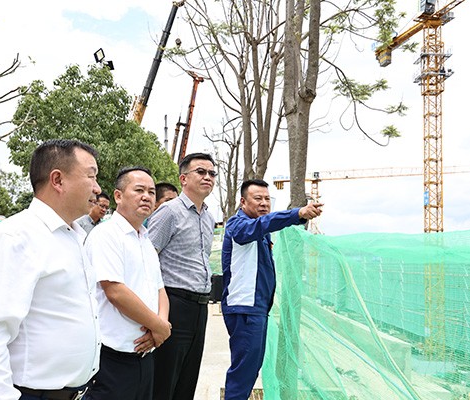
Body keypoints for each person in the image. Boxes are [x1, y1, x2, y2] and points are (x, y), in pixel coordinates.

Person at [0, 139, 102, 400]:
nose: (97, 188)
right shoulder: (17, 235)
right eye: (91, 176)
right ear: (58, 180)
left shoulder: (76, 236)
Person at [220, 179, 323, 400]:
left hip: (256, 308)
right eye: (258, 198)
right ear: (243, 202)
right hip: (244, 308)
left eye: (267, 199)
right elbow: (261, 225)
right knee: (243, 372)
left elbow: (266, 225)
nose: (264, 203)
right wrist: (297, 213)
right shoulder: (239, 225)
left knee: (250, 369)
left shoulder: (261, 230)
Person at [85, 167, 171, 400]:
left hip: (145, 355)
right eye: (139, 190)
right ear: (118, 196)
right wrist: (159, 326)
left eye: (151, 192)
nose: (147, 197)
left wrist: (161, 327)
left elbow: (160, 289)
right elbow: (115, 291)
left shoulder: (146, 241)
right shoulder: (106, 235)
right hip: (112, 359)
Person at [148, 153, 216, 400]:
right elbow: (147, 259)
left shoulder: (208, 217)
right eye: (201, 172)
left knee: (188, 379)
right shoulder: (169, 212)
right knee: (165, 379)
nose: (208, 177)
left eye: (212, 173)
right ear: (183, 178)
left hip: (200, 307)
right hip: (174, 304)